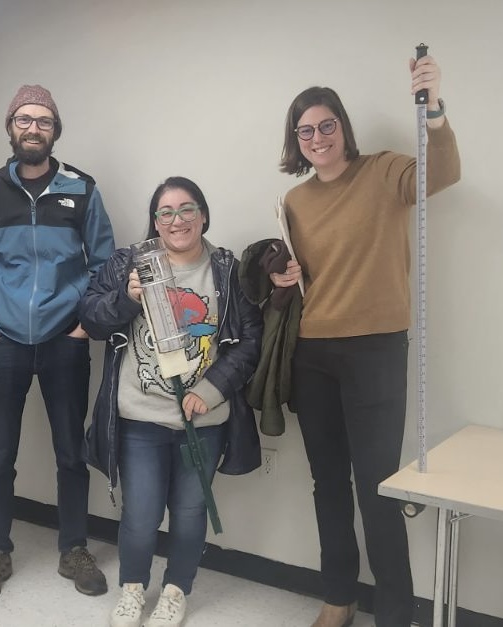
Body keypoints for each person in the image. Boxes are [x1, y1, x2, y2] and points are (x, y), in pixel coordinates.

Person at [273, 55, 460, 627]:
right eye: (305, 130)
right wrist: (283, 274)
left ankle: (396, 612)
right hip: (313, 351)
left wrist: (435, 110)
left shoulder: (385, 171)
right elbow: (305, 275)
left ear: (343, 128)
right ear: (295, 140)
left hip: (377, 349)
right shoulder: (295, 202)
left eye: (326, 125)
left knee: (378, 485)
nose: (317, 137)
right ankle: (339, 596)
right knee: (326, 481)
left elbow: (445, 172)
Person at [0, 84, 115, 602]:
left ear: (55, 131)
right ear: (10, 127)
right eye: (24, 119)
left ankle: (75, 548)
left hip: (66, 339)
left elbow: (106, 264)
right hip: (4, 344)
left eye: (43, 121)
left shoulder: (82, 189)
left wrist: (85, 325)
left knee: (71, 452)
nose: (33, 128)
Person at [79, 177, 263, 627]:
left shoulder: (225, 268)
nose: (176, 220)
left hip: (204, 421)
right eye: (166, 212)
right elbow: (90, 316)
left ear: (203, 215)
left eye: (186, 209)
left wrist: (209, 389)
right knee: (140, 515)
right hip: (141, 418)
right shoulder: (131, 262)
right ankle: (133, 589)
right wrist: (126, 298)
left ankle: (177, 590)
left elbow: (249, 341)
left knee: (189, 512)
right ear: (155, 220)